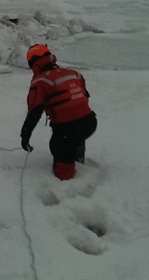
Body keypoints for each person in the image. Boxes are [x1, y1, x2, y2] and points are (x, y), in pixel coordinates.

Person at [20, 44, 98, 181]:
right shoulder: (74, 73)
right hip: (90, 122)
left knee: (58, 147)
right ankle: (77, 155)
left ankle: (67, 184)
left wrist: (25, 134)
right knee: (74, 135)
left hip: (68, 127)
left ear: (33, 63)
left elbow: (35, 110)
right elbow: (82, 98)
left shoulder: (40, 81)